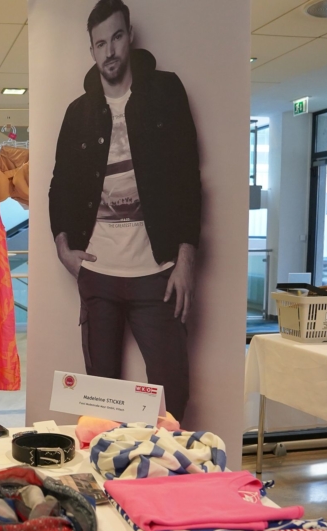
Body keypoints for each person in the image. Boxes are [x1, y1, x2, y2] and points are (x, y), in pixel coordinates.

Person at [49, 0, 201, 421]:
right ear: (92, 50)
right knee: (101, 405)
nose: (110, 51)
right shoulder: (77, 113)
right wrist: (63, 248)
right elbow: (59, 186)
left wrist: (186, 259)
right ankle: (110, 467)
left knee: (172, 398)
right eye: (100, 44)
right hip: (98, 275)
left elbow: (189, 178)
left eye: (116, 37)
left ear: (130, 36)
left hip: (158, 272)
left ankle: (159, 466)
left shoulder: (166, 92)